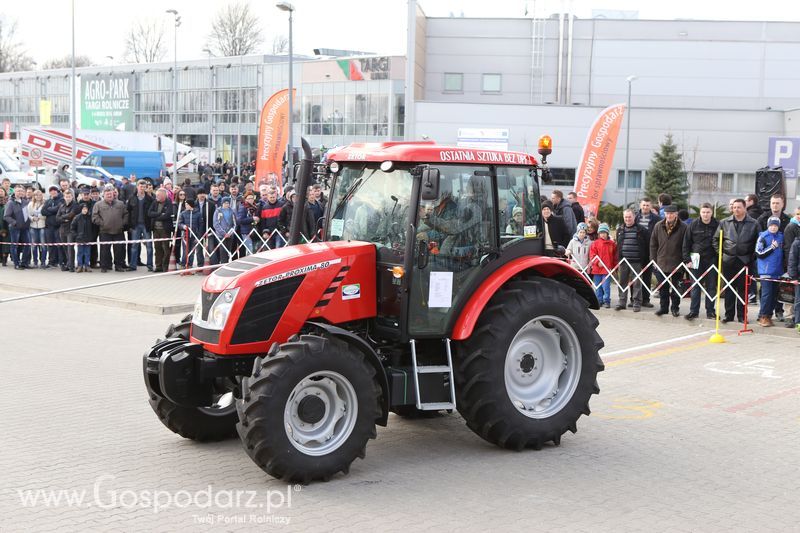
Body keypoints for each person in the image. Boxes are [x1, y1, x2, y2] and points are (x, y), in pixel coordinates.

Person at [713, 198, 759, 323]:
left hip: (745, 261)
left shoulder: (754, 223)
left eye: (739, 207)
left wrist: (752, 256)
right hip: (728, 260)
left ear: (745, 208)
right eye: (734, 207)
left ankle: (742, 316)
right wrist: (721, 255)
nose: (736, 209)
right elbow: (716, 240)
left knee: (743, 289)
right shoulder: (724, 222)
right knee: (729, 288)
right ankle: (729, 315)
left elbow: (758, 242)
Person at [682, 202, 719, 320]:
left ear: (712, 212)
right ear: (700, 213)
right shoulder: (693, 224)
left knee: (711, 286)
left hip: (712, 258)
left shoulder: (717, 224)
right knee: (695, 286)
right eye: (703, 212)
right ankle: (694, 311)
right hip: (695, 258)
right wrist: (687, 260)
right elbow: (686, 243)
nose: (706, 215)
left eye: (708, 212)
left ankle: (710, 311)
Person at [650, 204, 687, 317]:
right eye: (667, 213)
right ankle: (663, 308)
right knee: (663, 288)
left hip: (677, 262)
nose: (669, 215)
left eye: (672, 213)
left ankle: (675, 308)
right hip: (661, 262)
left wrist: (685, 261)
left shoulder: (683, 227)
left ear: (676, 214)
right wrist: (653, 260)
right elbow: (653, 244)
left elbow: (686, 245)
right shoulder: (658, 226)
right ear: (664, 214)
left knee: (676, 288)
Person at [615, 209, 648, 312]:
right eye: (625, 217)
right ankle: (621, 302)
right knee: (622, 282)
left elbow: (646, 245)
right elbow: (618, 245)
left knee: (637, 283)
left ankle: (636, 303)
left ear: (634, 217)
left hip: (637, 261)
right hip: (623, 261)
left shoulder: (641, 230)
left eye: (629, 217)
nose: (627, 219)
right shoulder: (619, 230)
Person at [92, 186, 130, 272]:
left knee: (119, 250)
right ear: (103, 195)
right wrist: (102, 223)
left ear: (113, 194)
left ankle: (118, 266)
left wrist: (122, 223)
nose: (109, 195)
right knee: (104, 250)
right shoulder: (98, 204)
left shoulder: (120, 204)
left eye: (110, 194)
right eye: (107, 194)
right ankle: (105, 266)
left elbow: (126, 214)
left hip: (118, 231)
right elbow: (94, 216)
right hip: (105, 231)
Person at [754, 217, 784, 327]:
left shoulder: (781, 236)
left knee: (774, 294)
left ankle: (769, 316)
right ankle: (762, 316)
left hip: (777, 271)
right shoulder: (763, 236)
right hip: (765, 271)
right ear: (768, 225)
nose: (773, 227)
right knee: (766, 294)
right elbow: (758, 253)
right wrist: (771, 247)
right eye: (771, 225)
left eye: (775, 225)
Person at [635, 197, 660, 308]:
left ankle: (645, 299)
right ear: (640, 205)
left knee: (647, 276)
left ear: (651, 206)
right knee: (634, 276)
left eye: (647, 205)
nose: (645, 207)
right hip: (636, 250)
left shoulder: (656, 219)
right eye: (643, 205)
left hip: (650, 251)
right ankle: (634, 299)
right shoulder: (634, 217)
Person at [127, 178, 154, 271]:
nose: (142, 188)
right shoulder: (132, 198)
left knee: (149, 246)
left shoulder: (149, 199)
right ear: (137, 187)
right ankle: (132, 265)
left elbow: (152, 212)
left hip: (146, 225)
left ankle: (150, 265)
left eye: (144, 187)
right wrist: (129, 225)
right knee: (134, 246)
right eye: (140, 186)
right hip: (135, 225)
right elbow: (128, 212)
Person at [589, 223, 617, 308]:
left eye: (604, 232)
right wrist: (597, 262)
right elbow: (592, 255)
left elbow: (615, 257)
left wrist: (615, 267)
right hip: (597, 269)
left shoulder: (612, 244)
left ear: (607, 233)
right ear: (598, 234)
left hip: (607, 270)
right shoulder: (595, 243)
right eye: (601, 233)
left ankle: (606, 300)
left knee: (606, 286)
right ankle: (599, 300)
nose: (603, 234)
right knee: (598, 286)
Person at [3, 186, 31, 269]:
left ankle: (24, 263)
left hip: (25, 228)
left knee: (27, 244)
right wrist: (15, 223)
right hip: (15, 228)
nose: (20, 193)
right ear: (14, 192)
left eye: (22, 191)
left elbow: (27, 214)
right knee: (14, 246)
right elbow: (6, 216)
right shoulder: (10, 203)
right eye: (18, 191)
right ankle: (16, 264)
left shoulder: (25, 202)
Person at [148, 188, 174, 273]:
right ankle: (158, 266)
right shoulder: (155, 202)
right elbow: (149, 213)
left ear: (163, 195)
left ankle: (165, 266)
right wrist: (159, 214)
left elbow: (167, 215)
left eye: (158, 195)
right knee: (157, 248)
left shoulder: (169, 203)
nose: (156, 196)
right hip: (155, 229)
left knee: (166, 248)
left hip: (165, 230)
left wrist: (156, 217)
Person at [56, 189, 81, 272]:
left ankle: (72, 266)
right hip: (62, 229)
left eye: (69, 196)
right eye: (66, 197)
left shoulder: (75, 205)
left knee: (70, 248)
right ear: (64, 197)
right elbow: (57, 218)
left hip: (71, 230)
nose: (68, 198)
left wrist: (62, 217)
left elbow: (71, 215)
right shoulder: (62, 206)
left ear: (72, 197)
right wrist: (63, 219)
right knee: (65, 248)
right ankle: (69, 263)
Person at [42, 185, 64, 268]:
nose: (53, 192)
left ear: (57, 191)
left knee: (59, 245)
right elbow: (43, 211)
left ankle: (61, 261)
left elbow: (58, 209)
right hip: (49, 227)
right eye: (51, 191)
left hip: (58, 227)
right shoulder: (48, 201)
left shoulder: (61, 200)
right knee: (50, 245)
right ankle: (52, 261)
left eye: (55, 190)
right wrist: (52, 210)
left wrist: (50, 209)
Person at [177, 199, 203, 270]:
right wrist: (183, 226)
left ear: (191, 205)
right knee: (185, 250)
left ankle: (190, 264)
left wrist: (199, 236)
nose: (186, 206)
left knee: (192, 251)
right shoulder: (183, 213)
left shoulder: (198, 214)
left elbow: (200, 225)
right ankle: (183, 264)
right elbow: (179, 223)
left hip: (194, 235)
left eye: (187, 204)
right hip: (185, 235)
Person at [213, 197, 237, 264]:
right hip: (221, 235)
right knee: (222, 251)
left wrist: (231, 232)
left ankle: (229, 263)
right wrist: (223, 233)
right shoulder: (218, 211)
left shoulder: (232, 211)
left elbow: (234, 223)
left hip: (230, 234)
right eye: (225, 203)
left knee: (229, 250)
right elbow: (216, 223)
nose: (226, 204)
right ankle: (223, 264)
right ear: (222, 203)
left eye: (228, 203)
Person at [71, 204, 94, 272]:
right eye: (83, 209)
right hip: (80, 239)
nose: (85, 210)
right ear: (81, 210)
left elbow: (93, 228)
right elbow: (72, 228)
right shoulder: (77, 217)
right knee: (80, 252)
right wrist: (76, 236)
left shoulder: (90, 217)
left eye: (86, 209)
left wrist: (92, 236)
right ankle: (80, 266)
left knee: (87, 253)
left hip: (88, 239)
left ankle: (87, 265)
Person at [27, 189, 47, 268]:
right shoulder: (30, 204)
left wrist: (39, 217)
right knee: (34, 245)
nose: (38, 196)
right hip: (33, 226)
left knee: (43, 245)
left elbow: (46, 215)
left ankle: (43, 261)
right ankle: (35, 261)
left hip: (42, 226)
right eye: (36, 195)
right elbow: (28, 214)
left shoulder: (45, 204)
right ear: (34, 196)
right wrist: (32, 218)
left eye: (39, 195)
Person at [787, 233, 800, 334]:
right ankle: (798, 322)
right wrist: (793, 277)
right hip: (798, 277)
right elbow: (792, 260)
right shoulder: (796, 243)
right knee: (798, 301)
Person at [0, 188, 8, 266]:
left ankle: (4, 259)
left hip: (5, 226)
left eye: (2, 191)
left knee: (5, 244)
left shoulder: (7, 202)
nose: (0, 192)